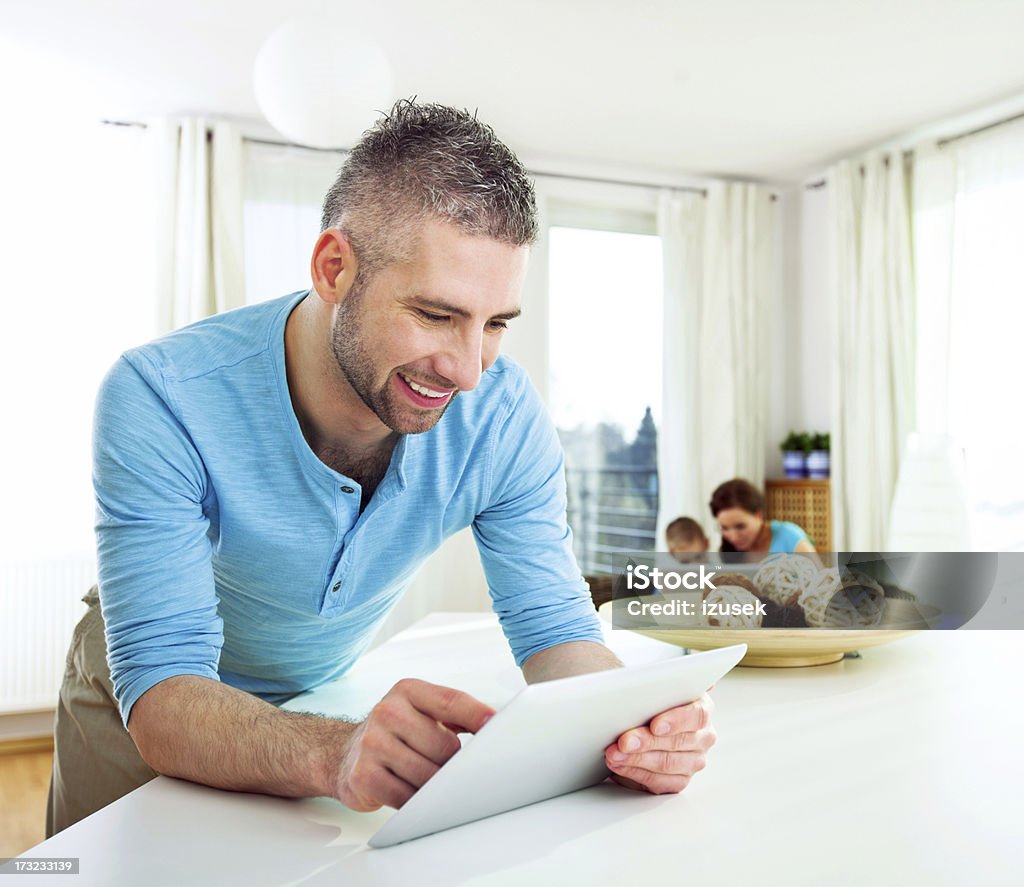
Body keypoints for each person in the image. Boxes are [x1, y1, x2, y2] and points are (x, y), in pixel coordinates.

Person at [47, 101, 716, 835]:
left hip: (309, 699)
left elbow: (556, 628)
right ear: (335, 268)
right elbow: (167, 690)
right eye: (436, 314)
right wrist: (337, 751)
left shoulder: (501, 414)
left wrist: (633, 733)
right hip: (143, 705)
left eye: (495, 324)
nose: (468, 371)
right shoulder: (161, 394)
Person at [709, 478, 815, 553]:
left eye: (740, 526)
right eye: (724, 528)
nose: (733, 537)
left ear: (758, 515)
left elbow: (821, 581)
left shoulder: (789, 536)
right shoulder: (728, 550)